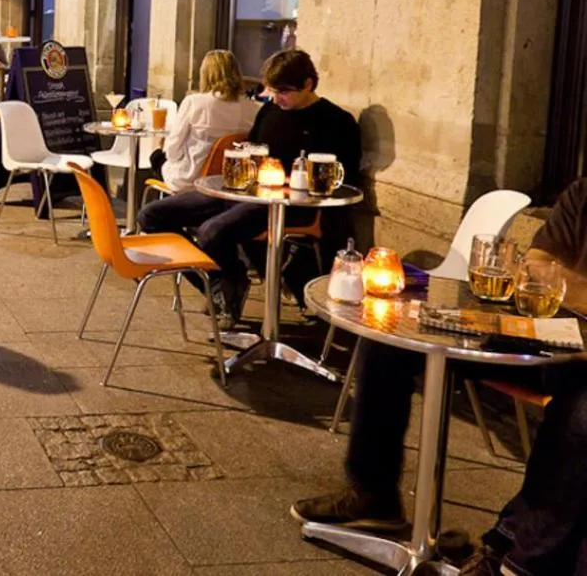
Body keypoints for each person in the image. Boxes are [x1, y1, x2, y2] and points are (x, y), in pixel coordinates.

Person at [293, 179, 587, 576]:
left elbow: (550, 276)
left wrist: (561, 280)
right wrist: (558, 280)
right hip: (542, 334)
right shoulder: (583, 193)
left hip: (579, 366)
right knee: (390, 339)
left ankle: (519, 561)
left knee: (581, 415)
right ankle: (373, 494)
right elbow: (535, 265)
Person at [136, 49, 361, 325]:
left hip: (291, 204)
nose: (276, 98)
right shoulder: (270, 110)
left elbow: (346, 177)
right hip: (247, 192)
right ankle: (223, 280)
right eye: (273, 91)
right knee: (151, 215)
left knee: (212, 231)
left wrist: (296, 181)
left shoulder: (336, 121)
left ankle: (227, 288)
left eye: (284, 92)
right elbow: (255, 147)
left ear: (308, 84)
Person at [150, 50, 260, 192]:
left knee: (156, 156)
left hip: (192, 179)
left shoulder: (195, 102)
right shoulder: (253, 108)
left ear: (206, 74)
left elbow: (173, 151)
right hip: (230, 179)